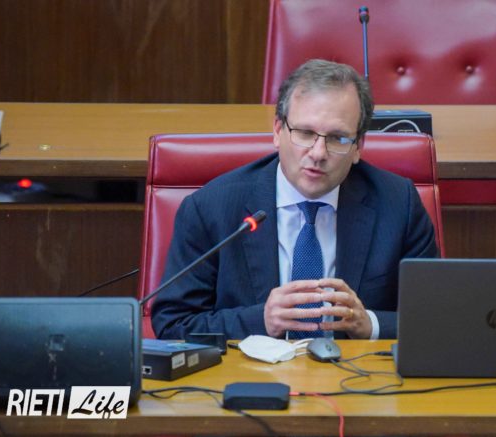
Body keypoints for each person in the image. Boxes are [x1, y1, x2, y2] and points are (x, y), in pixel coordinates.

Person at [151, 59, 437, 340]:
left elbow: (437, 317)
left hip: (356, 368)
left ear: (358, 147)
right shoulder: (211, 208)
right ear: (278, 131)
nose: (318, 153)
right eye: (305, 133)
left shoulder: (398, 205)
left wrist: (370, 324)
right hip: (252, 370)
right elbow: (173, 323)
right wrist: (260, 321)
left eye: (337, 138)